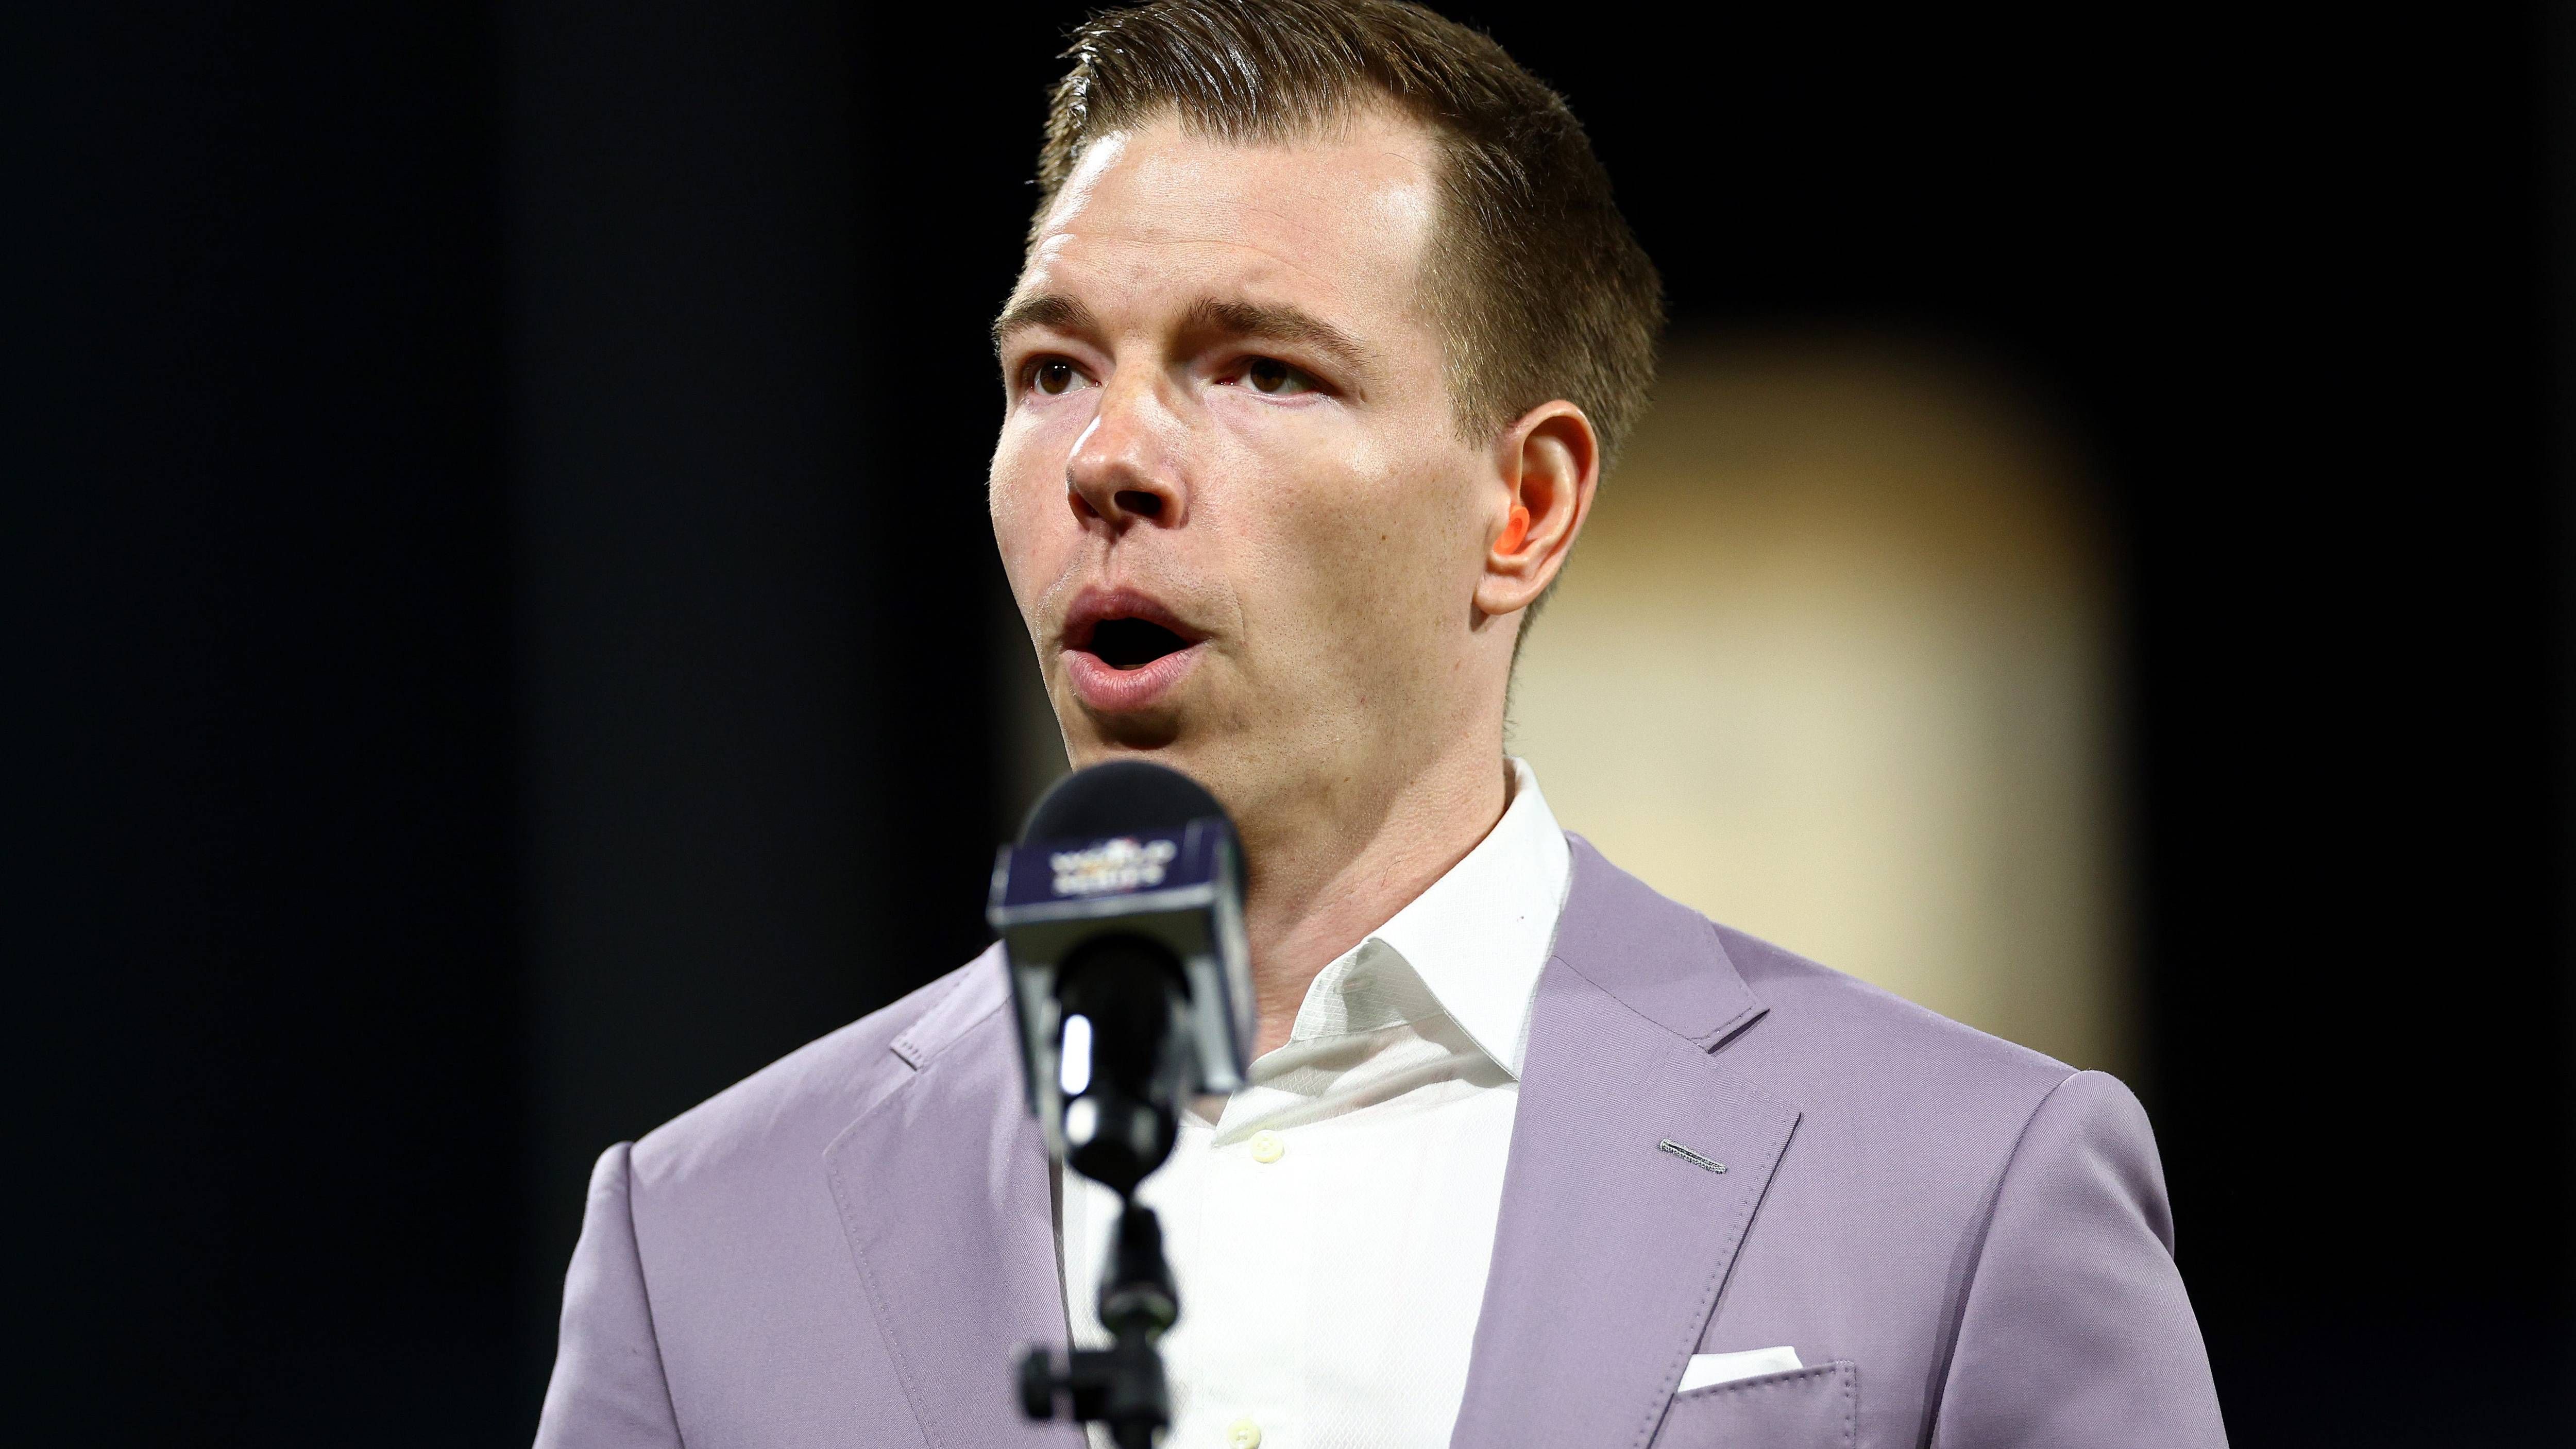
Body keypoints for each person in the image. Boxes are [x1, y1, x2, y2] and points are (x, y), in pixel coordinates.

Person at [533, 2, 2227, 1444]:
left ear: (1525, 505)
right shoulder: (700, 1249)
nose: (1108, 459)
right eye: (1054, 370)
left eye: (1260, 369)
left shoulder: (1963, 1187)